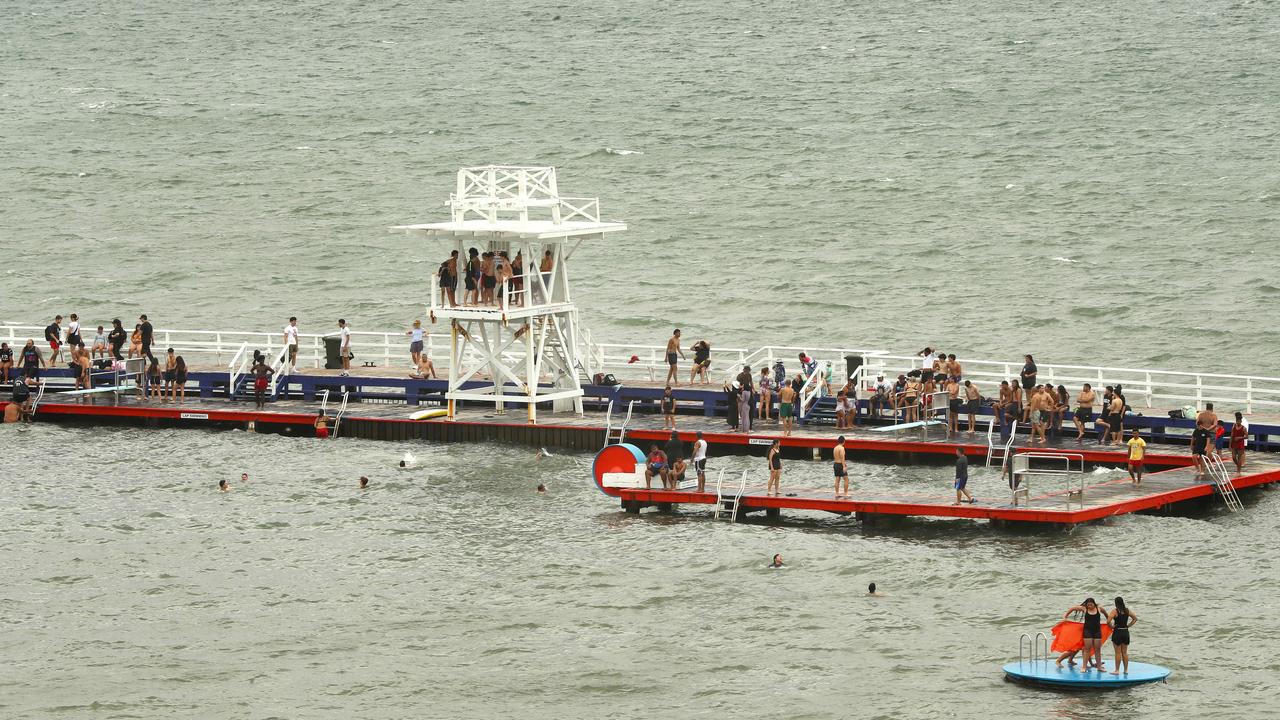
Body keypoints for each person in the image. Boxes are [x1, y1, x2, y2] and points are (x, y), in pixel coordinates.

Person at [1063, 598, 1107, 671]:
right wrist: (1065, 617)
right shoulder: (1084, 609)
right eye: (1088, 605)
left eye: (1091, 604)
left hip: (1097, 631)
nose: (1089, 606)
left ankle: (1099, 667)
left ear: (1094, 603)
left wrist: (1109, 623)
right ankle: (1084, 667)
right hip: (1087, 631)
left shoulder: (1099, 609)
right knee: (1087, 649)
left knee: (1098, 650)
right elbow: (1073, 608)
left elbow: (1107, 615)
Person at [1107, 597, 1137, 675]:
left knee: (1118, 653)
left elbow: (1108, 621)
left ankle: (1117, 670)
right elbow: (1135, 618)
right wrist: (1128, 625)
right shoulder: (1127, 610)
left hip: (1118, 632)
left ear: (1116, 603)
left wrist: (1112, 627)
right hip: (1125, 632)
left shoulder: (1115, 611)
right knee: (1124, 653)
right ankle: (1126, 670)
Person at [1019, 354, 1037, 422]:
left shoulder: (1032, 365)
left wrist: (1029, 375)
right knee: (1026, 392)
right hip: (1025, 381)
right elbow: (1024, 370)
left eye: (1027, 358)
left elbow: (1035, 373)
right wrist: (1021, 374)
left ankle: (1031, 402)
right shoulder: (1026, 364)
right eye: (1025, 359)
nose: (1026, 360)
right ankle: (1028, 401)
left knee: (1030, 391)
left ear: (1030, 359)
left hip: (1030, 380)